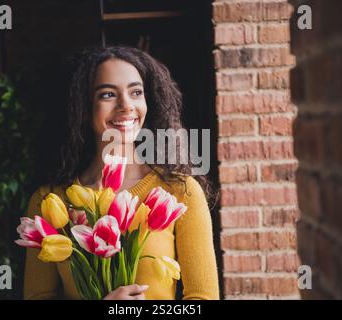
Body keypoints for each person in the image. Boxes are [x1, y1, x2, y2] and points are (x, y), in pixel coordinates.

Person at [23, 46, 219, 300]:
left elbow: (202, 299)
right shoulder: (51, 202)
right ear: (83, 106)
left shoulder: (180, 192)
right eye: (107, 94)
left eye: (136, 92)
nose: (126, 105)